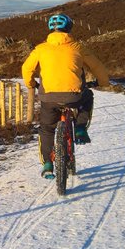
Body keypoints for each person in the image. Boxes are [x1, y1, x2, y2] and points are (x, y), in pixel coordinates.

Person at [21, 13, 110, 179]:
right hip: (74, 96)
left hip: (48, 97)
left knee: (47, 129)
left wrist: (31, 84)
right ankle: (81, 128)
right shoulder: (77, 47)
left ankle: (47, 164)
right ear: (69, 28)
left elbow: (27, 69)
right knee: (87, 96)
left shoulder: (41, 49)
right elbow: (98, 67)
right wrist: (103, 82)